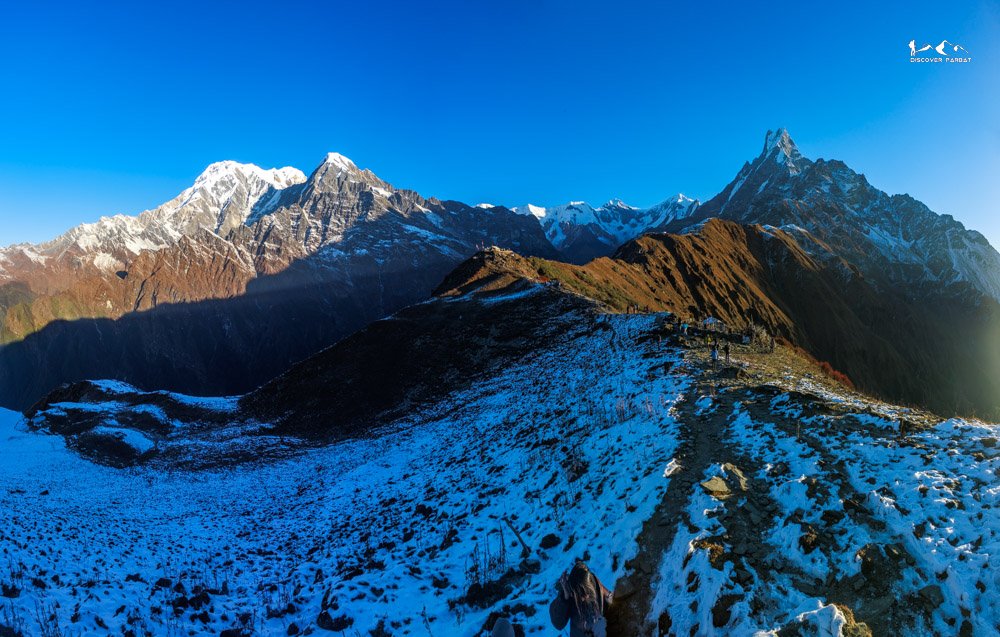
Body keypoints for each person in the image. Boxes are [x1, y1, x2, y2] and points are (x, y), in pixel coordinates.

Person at [549, 562, 613, 637]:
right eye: (579, 594)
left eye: (585, 593)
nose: (582, 598)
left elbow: (613, 605)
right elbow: (558, 623)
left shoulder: (598, 588)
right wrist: (564, 597)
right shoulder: (570, 596)